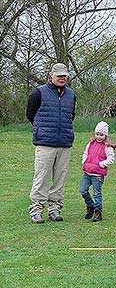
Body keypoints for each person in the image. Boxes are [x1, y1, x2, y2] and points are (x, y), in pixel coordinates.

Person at [26, 63, 76, 223]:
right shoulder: (38, 93)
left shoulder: (71, 95)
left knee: (60, 178)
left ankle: (55, 209)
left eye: (64, 76)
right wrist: (43, 130)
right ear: (51, 76)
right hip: (45, 143)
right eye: (59, 75)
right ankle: (36, 209)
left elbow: (71, 115)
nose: (62, 78)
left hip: (64, 143)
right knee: (42, 177)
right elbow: (30, 114)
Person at [80, 121, 116, 222]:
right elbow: (85, 153)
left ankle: (98, 212)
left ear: (105, 135)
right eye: (97, 134)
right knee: (83, 190)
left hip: (98, 174)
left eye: (101, 135)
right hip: (87, 172)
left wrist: (101, 164)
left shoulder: (107, 147)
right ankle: (90, 205)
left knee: (97, 193)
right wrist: (85, 161)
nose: (99, 137)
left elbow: (111, 159)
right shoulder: (90, 144)